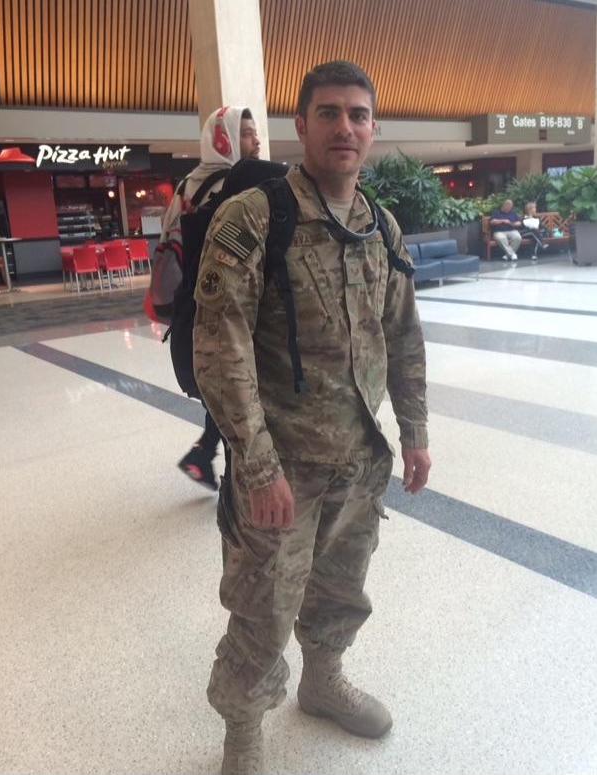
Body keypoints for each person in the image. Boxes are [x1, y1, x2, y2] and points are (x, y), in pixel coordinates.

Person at [193, 61, 431, 775]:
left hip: (359, 457)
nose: (344, 127)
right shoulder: (255, 217)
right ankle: (242, 728)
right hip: (283, 466)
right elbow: (221, 345)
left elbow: (403, 333)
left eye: (358, 114)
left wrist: (414, 430)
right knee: (263, 606)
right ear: (300, 124)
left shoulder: (379, 225)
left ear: (373, 128)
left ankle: (322, 682)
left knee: (340, 587)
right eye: (328, 112)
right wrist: (256, 465)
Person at [152, 106, 260, 489]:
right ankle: (230, 478)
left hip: (193, 308)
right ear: (224, 139)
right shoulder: (236, 185)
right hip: (229, 309)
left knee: (223, 390)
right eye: (246, 133)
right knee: (237, 391)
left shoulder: (187, 186)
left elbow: (168, 245)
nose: (256, 140)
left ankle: (206, 455)